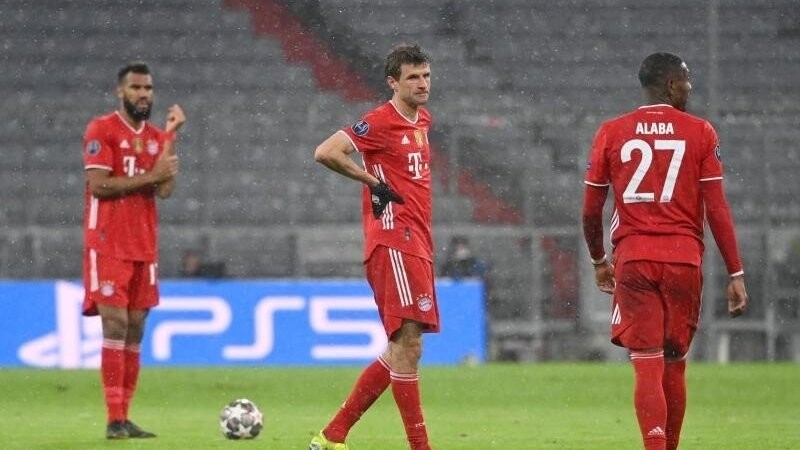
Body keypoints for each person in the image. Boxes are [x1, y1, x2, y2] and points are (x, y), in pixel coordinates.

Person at [582, 52, 749, 450]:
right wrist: (736, 272)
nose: (690, 88)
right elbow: (718, 209)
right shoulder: (701, 132)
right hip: (683, 259)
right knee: (674, 361)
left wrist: (598, 260)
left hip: (636, 258)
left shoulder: (612, 131)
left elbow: (591, 209)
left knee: (646, 362)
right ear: (671, 84)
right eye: (687, 81)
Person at [309, 44, 437, 450]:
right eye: (413, 77)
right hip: (393, 240)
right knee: (407, 344)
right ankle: (420, 445)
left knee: (403, 346)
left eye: (426, 75)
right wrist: (372, 182)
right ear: (392, 82)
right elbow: (326, 152)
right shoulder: (378, 122)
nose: (422, 83)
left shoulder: (423, 120)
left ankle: (333, 434)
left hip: (416, 239)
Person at [82, 61, 185, 439]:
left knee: (136, 328)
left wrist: (171, 137)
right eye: (136, 88)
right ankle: (113, 419)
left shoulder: (158, 137)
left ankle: (124, 417)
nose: (144, 94)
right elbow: (99, 186)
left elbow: (166, 190)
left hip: (145, 246)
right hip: (108, 243)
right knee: (116, 323)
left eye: (148, 89)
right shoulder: (101, 129)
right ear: (121, 92)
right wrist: (153, 176)